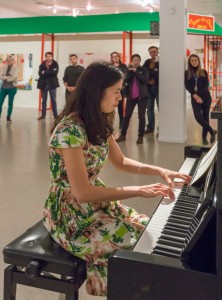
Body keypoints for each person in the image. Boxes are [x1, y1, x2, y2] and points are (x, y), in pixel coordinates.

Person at [43, 60, 191, 297]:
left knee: (146, 229)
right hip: (69, 214)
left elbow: (120, 161)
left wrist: (160, 170)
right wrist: (138, 190)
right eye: (116, 91)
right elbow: (82, 193)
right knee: (133, 248)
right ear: (96, 92)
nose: (120, 97)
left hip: (92, 203)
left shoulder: (99, 119)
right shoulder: (69, 131)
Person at [115, 54, 149, 144]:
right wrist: (130, 72)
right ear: (132, 61)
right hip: (131, 96)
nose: (136, 62)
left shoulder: (144, 70)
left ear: (140, 61)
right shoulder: (129, 70)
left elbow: (144, 80)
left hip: (142, 97)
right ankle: (123, 135)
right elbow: (125, 80)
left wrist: (136, 71)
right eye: (134, 60)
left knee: (141, 117)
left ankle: (140, 136)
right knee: (127, 116)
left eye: (137, 60)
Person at [185, 54, 217, 145]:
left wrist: (198, 95)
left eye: (195, 60)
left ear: (198, 61)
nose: (194, 62)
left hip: (206, 97)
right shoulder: (187, 73)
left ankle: (204, 138)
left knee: (206, 118)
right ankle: (212, 131)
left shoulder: (203, 72)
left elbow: (206, 86)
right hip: (194, 98)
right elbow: (187, 86)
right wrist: (194, 95)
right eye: (192, 60)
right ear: (189, 62)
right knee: (198, 117)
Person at [37, 51, 59, 120]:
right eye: (47, 56)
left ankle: (55, 115)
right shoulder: (42, 65)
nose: (48, 58)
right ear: (45, 57)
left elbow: (54, 73)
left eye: (50, 56)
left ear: (52, 57)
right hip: (44, 84)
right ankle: (43, 115)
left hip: (52, 84)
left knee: (53, 100)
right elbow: (40, 74)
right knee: (44, 100)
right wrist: (49, 72)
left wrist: (45, 72)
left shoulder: (55, 64)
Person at [142, 46, 159, 135]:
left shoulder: (161, 61)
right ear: (149, 53)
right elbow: (143, 72)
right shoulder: (147, 62)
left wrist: (154, 79)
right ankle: (150, 127)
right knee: (149, 109)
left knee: (161, 110)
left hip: (159, 89)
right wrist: (148, 80)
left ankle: (162, 128)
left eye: (154, 51)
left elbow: (162, 72)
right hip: (149, 89)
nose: (153, 53)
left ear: (157, 52)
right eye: (151, 52)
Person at [110, 51, 128, 128]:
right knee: (110, 107)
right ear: (112, 58)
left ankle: (121, 123)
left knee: (120, 107)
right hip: (111, 90)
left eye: (116, 56)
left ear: (119, 57)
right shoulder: (109, 66)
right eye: (113, 56)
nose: (115, 58)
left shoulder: (123, 66)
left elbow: (124, 77)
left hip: (121, 89)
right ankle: (109, 123)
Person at [0, 55, 18, 123]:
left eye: (10, 60)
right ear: (6, 61)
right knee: (0, 103)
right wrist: (8, 77)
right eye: (8, 60)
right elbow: (0, 77)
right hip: (3, 88)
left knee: (10, 104)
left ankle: (8, 117)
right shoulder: (3, 67)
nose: (9, 61)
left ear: (12, 61)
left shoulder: (16, 68)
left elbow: (14, 77)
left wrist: (6, 78)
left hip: (12, 88)